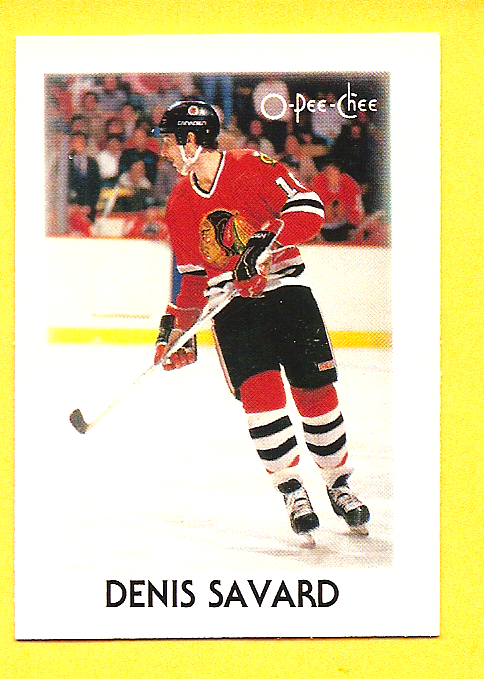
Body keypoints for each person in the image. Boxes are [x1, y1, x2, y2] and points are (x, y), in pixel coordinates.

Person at [154, 101, 370, 542]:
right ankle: (293, 492)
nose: (165, 152)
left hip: (288, 293)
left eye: (169, 142)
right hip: (233, 310)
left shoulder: (251, 166)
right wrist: (177, 329)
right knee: (262, 402)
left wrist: (265, 243)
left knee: (316, 396)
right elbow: (193, 279)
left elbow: (309, 210)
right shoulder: (179, 203)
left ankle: (339, 484)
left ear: (191, 141)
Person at [311, 158, 364, 242]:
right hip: (322, 227)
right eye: (329, 174)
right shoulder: (317, 183)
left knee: (374, 225)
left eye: (335, 173)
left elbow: (358, 209)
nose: (332, 177)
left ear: (340, 174)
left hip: (344, 225)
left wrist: (354, 226)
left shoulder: (349, 184)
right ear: (325, 174)